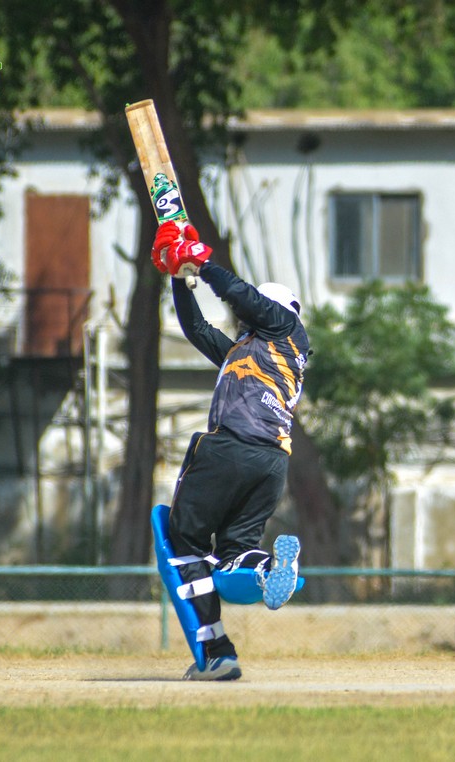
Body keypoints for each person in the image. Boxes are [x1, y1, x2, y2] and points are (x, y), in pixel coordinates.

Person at [149, 220, 309, 681]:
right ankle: (267, 570)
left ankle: (216, 654)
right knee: (235, 552)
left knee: (184, 544)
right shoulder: (252, 352)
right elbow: (196, 327)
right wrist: (180, 276)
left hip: (229, 449)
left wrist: (201, 262)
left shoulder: (286, 328)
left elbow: (241, 296)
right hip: (271, 463)